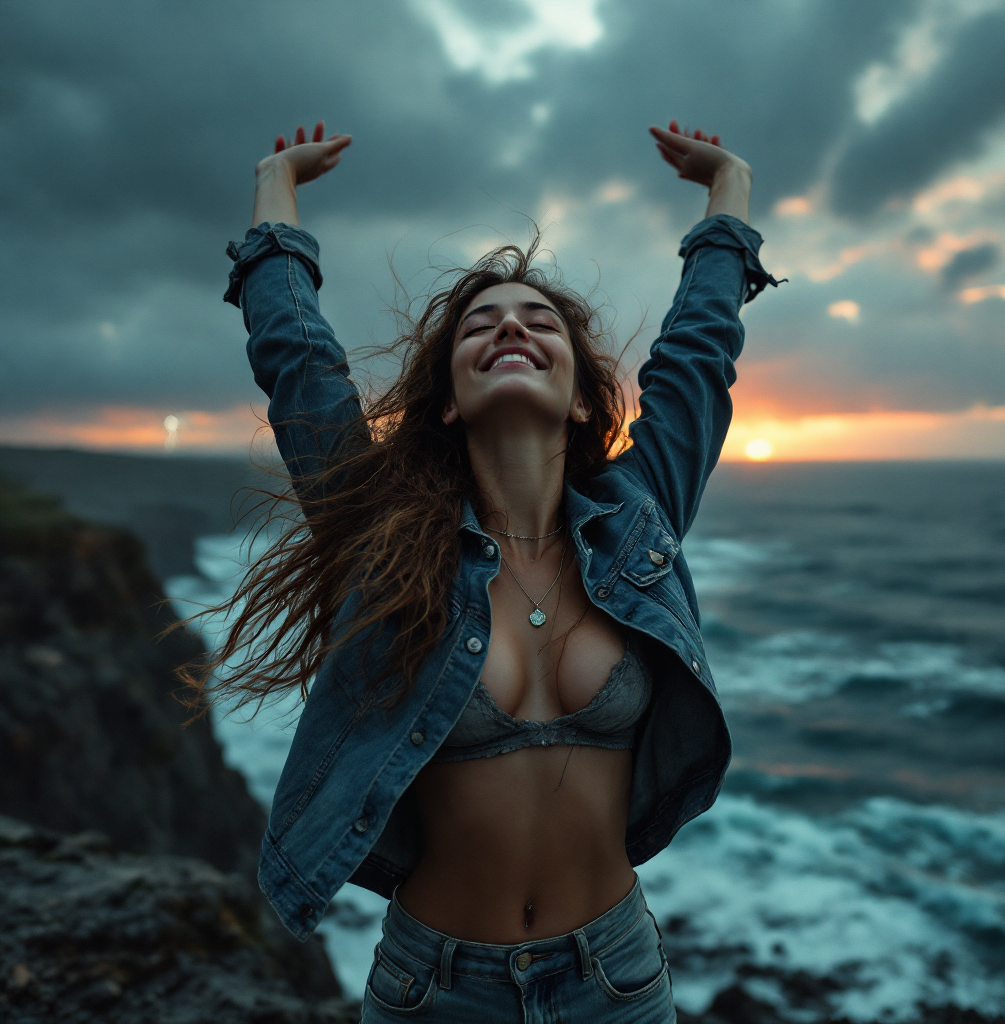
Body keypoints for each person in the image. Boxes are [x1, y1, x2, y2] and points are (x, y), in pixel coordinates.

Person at [212, 115, 780, 1022]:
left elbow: (698, 354)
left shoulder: (639, 516)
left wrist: (730, 193)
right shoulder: (380, 527)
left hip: (616, 981)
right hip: (435, 992)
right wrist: (275, 190)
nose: (511, 328)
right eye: (482, 324)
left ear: (585, 393)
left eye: (538, 321)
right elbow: (298, 361)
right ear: (445, 403)